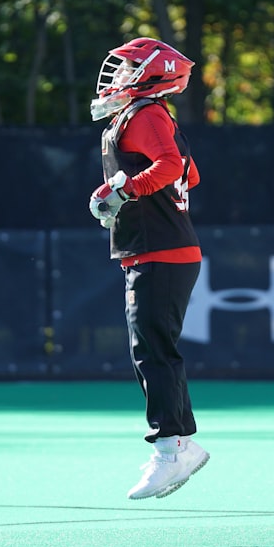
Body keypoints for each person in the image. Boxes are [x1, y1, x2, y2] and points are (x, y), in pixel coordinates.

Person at [87, 37, 209, 500]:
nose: (118, 77)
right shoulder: (146, 116)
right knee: (155, 349)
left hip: (162, 249)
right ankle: (180, 443)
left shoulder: (145, 114)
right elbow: (189, 175)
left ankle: (169, 447)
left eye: (128, 68)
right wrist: (122, 191)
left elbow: (172, 165)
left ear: (153, 73)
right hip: (158, 248)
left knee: (151, 352)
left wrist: (123, 192)